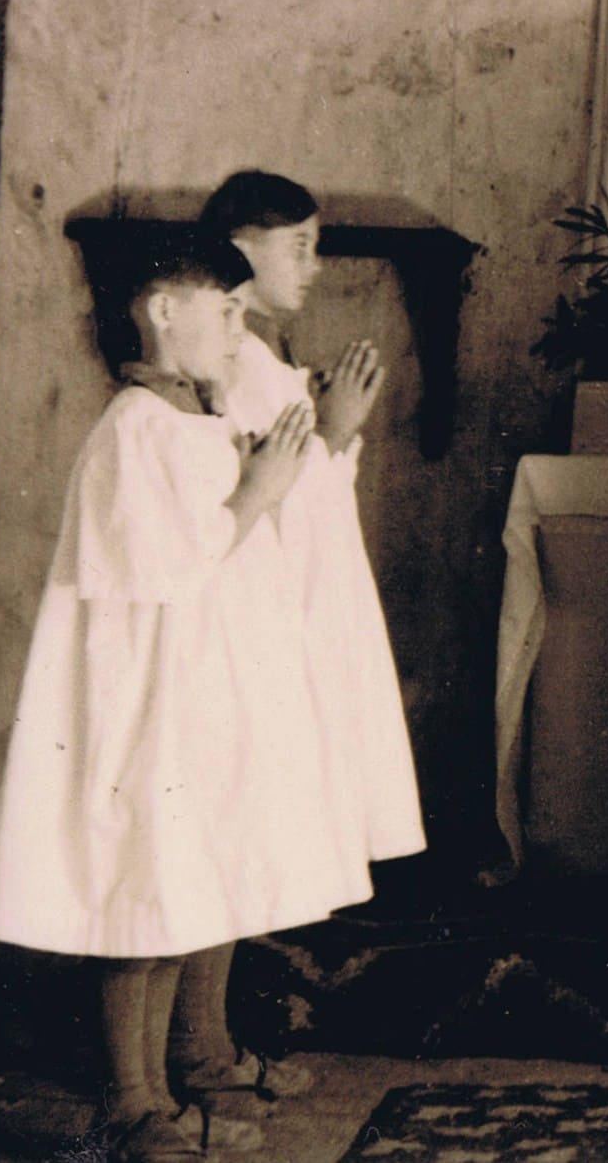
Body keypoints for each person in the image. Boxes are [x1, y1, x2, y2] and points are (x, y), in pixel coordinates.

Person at [0, 233, 353, 1160]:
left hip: (196, 692)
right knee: (141, 894)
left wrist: (268, 474)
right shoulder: (134, 427)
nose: (240, 332)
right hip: (143, 699)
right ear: (161, 311)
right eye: (226, 312)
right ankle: (130, 1102)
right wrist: (260, 488)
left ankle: (179, 1073)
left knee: (186, 883)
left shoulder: (188, 416)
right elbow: (163, 560)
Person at [185, 171, 426, 1103]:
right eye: (300, 246)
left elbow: (290, 497)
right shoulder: (230, 357)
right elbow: (252, 504)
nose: (315, 267)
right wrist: (332, 437)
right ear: (240, 245)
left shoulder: (258, 350)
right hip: (239, 616)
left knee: (239, 835)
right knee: (220, 835)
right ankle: (198, 1057)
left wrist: (330, 437)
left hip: (276, 610)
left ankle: (209, 1045)